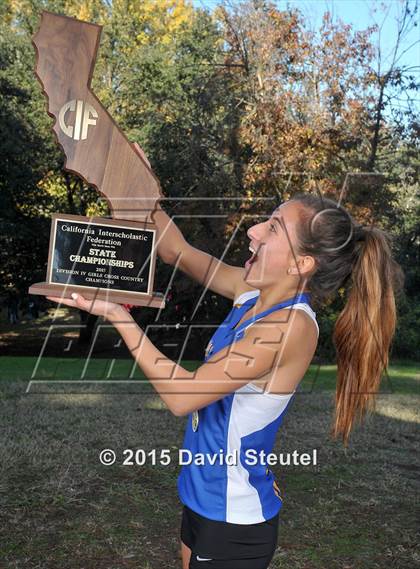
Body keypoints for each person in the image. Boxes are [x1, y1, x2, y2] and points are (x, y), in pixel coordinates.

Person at [46, 191, 404, 568]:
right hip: (202, 499)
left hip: (233, 521)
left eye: (274, 227)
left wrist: (119, 316)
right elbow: (176, 251)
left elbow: (182, 396)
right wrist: (134, 183)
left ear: (302, 263)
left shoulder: (289, 327)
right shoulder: (252, 292)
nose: (254, 231)